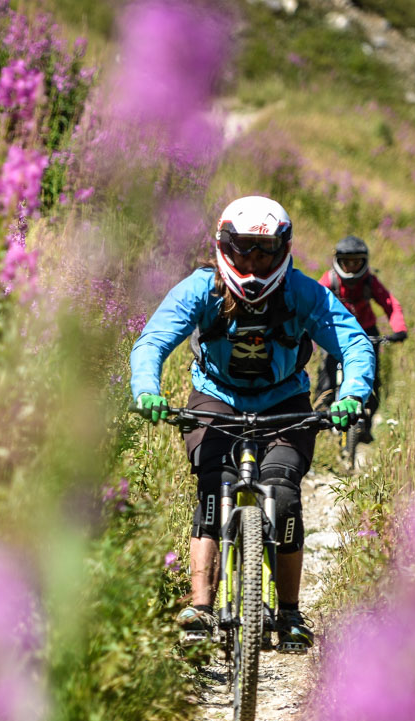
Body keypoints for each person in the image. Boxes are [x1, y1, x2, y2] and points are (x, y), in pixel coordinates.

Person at [130, 196, 377, 651]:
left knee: (282, 495)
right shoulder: (201, 288)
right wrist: (147, 390)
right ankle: (201, 605)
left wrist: (352, 395)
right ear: (224, 245)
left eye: (263, 251)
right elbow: (153, 340)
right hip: (215, 400)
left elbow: (354, 343)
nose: (252, 262)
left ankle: (289, 613)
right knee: (213, 487)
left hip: (285, 403)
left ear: (284, 249)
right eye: (242, 249)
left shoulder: (304, 293)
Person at [314, 235, 407, 441]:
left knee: (372, 383)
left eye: (357, 262)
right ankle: (321, 429)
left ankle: (366, 422)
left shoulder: (370, 282)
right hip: (334, 335)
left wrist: (399, 329)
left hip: (367, 333)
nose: (352, 267)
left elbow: (390, 304)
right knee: (326, 383)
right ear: (338, 262)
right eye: (347, 262)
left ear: (364, 262)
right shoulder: (329, 281)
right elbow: (312, 302)